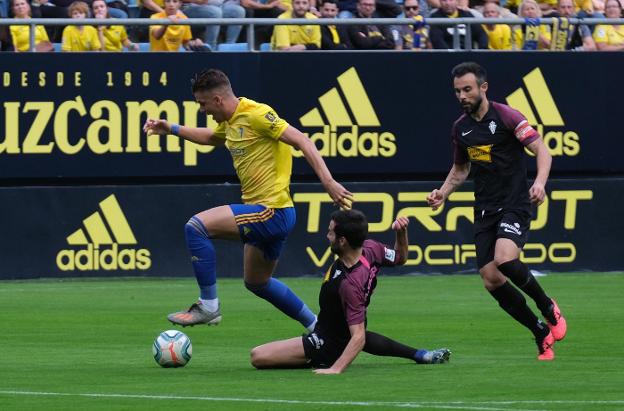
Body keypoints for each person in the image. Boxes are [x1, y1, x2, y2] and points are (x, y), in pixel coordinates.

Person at [143, 69, 353, 331]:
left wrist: (329, 182)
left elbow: (302, 140)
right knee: (257, 282)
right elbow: (210, 138)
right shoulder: (231, 122)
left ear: (218, 100)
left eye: (202, 103)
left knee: (196, 227)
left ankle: (208, 306)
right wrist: (171, 128)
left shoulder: (256, 114)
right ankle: (317, 327)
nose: (202, 110)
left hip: (270, 210)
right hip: (273, 213)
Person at [427, 62, 567, 361]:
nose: (462, 96)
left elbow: (543, 150)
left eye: (467, 89)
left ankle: (547, 306)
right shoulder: (460, 128)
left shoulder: (507, 116)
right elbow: (461, 168)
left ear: (483, 88)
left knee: (504, 259)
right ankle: (539, 331)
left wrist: (540, 184)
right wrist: (443, 193)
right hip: (485, 209)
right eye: (457, 91)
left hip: (515, 203)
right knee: (490, 278)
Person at [250, 209, 451, 373]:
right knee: (348, 331)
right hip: (336, 328)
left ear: (343, 241)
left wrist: (335, 369)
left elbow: (359, 337)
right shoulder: (371, 249)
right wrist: (401, 232)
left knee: (258, 356)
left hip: (326, 343)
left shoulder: (349, 284)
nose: (327, 236)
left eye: (331, 232)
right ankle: (421, 355)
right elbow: (400, 257)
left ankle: (324, 359)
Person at [180, 0, 246, 51]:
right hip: (190, 7)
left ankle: (228, 47)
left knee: (238, 11)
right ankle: (210, 48)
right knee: (215, 12)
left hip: (217, 7)